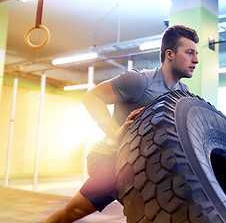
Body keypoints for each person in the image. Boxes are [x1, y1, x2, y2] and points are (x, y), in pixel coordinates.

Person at [44, 24, 199, 223]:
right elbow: (92, 98)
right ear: (170, 54)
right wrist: (116, 132)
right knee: (73, 211)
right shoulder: (139, 82)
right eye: (189, 53)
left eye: (195, 53)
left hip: (146, 166)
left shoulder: (182, 94)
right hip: (114, 162)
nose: (196, 60)